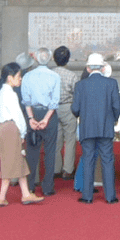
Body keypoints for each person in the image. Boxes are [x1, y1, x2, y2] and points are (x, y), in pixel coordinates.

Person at [0, 62, 44, 207]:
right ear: (10, 78)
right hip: (11, 129)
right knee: (11, 162)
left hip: (1, 128)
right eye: (19, 76)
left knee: (17, 161)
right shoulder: (10, 94)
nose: (20, 79)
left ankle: (25, 194)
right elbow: (18, 116)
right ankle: (1, 197)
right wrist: (23, 132)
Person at [72, 53, 120, 203]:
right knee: (107, 160)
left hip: (87, 127)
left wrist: (83, 117)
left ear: (87, 68)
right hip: (105, 127)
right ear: (103, 67)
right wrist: (111, 120)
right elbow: (117, 107)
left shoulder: (80, 85)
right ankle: (110, 196)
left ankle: (87, 196)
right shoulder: (111, 83)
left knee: (88, 160)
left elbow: (75, 108)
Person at [21, 47, 61, 197]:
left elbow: (26, 100)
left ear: (36, 58)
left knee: (32, 152)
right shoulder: (54, 76)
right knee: (50, 152)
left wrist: (32, 118)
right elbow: (55, 101)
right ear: (49, 59)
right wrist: (46, 119)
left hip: (33, 112)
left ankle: (30, 186)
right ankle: (48, 187)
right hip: (49, 115)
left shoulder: (28, 76)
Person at [51, 46, 80, 179]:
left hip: (52, 108)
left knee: (56, 139)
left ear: (54, 59)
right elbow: (77, 94)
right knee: (69, 140)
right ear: (67, 60)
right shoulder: (72, 75)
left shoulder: (50, 74)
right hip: (68, 108)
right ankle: (67, 169)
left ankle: (56, 168)